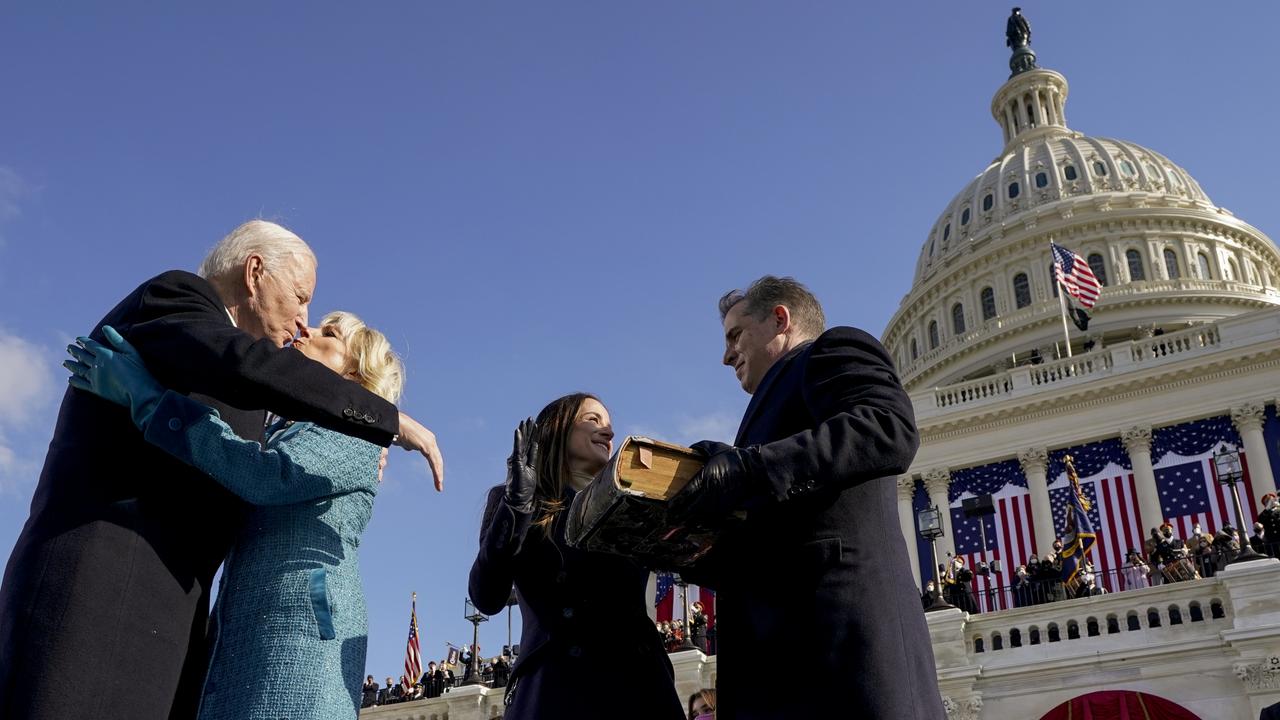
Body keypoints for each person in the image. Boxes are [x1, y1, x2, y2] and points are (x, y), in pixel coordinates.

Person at [0, 220, 444, 720]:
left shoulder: (281, 408)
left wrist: (367, 425)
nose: (304, 321)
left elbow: (259, 463)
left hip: (203, 627)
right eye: (300, 297)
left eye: (322, 325)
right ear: (254, 271)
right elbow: (242, 370)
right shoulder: (178, 300)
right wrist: (382, 420)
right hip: (100, 595)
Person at [64, 310, 407, 719]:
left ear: (355, 374)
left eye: (329, 334)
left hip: (300, 629)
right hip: (243, 623)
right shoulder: (281, 430)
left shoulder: (356, 433)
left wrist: (150, 400)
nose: (307, 329)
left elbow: (267, 476)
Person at [670, 276, 943, 719]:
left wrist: (748, 468)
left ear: (780, 319)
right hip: (780, 672)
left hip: (842, 661)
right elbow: (771, 542)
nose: (725, 356)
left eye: (735, 335)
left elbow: (887, 429)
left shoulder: (830, 351)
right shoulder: (761, 417)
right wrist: (681, 545)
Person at [468, 395, 685, 720]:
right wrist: (516, 507)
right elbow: (486, 596)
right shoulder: (515, 499)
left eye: (610, 425)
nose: (609, 433)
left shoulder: (636, 500)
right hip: (554, 689)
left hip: (639, 686)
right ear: (559, 429)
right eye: (593, 420)